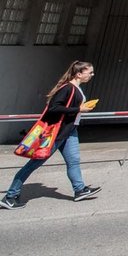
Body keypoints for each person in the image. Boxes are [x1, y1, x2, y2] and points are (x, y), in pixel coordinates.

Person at [1, 61, 101, 209]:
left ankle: (79, 190)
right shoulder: (67, 88)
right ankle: (10, 196)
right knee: (33, 164)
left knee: (73, 161)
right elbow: (54, 108)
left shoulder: (75, 88)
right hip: (56, 134)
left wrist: (79, 109)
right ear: (79, 74)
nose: (92, 75)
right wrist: (78, 109)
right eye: (90, 72)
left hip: (70, 131)